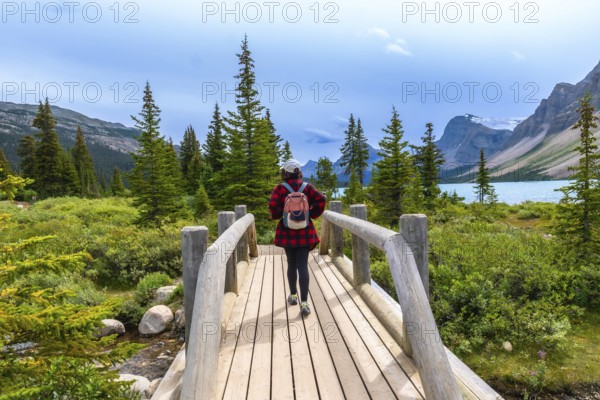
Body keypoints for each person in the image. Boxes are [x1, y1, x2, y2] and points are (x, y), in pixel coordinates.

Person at [269, 159, 326, 316]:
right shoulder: (307, 187)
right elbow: (322, 199)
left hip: (287, 232)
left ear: (285, 172)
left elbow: (273, 206)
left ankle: (293, 296)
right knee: (303, 265)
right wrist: (311, 216)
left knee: (291, 264)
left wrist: (279, 216)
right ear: (298, 171)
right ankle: (305, 304)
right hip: (305, 232)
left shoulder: (280, 189)